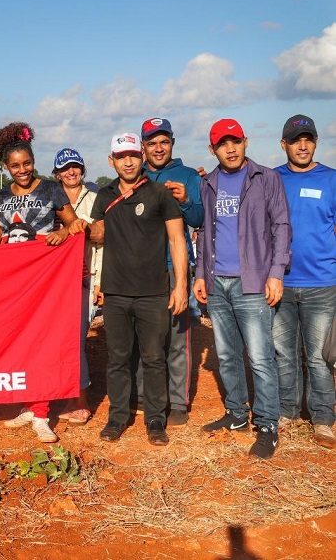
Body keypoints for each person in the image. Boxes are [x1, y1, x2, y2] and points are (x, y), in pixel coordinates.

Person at [0, 122, 86, 443]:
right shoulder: (0, 196)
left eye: (27, 163)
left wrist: (62, 231)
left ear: (33, 161)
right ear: (5, 167)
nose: (23, 170)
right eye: (15, 166)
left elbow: (75, 224)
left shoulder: (51, 190)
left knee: (43, 343)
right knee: (21, 343)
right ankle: (29, 405)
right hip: (15, 282)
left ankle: (41, 415)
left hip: (46, 280)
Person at [195, 119, 291, 459]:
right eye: (222, 144)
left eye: (235, 141)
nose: (230, 148)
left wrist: (276, 273)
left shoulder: (266, 178)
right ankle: (237, 412)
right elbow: (205, 230)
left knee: (261, 357)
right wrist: (200, 274)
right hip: (217, 282)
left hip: (253, 282)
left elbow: (281, 226)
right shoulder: (208, 183)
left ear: (246, 142)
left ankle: (267, 425)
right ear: (213, 150)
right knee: (226, 354)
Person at [91, 133, 188, 446]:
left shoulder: (159, 193)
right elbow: (98, 238)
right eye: (121, 156)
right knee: (117, 358)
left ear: (143, 156)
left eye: (133, 154)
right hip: (116, 293)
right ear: (112, 161)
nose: (128, 161)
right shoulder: (104, 195)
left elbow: (176, 240)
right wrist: (77, 226)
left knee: (153, 358)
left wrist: (181, 286)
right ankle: (117, 417)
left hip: (154, 292)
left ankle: (156, 421)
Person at [272, 115, 336, 449]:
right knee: (284, 353)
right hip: (281, 282)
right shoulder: (271, 180)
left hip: (322, 283)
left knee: (319, 356)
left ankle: (323, 419)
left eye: (308, 139)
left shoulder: (332, 179)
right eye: (296, 139)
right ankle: (287, 411)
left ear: (315, 142)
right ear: (284, 144)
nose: (302, 145)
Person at [139, 118, 204, 426]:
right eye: (152, 143)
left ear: (172, 143)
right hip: (141, 269)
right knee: (145, 338)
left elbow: (200, 218)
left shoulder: (188, 175)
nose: (158, 148)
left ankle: (177, 401)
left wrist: (186, 200)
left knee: (178, 339)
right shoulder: (135, 176)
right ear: (143, 147)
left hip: (173, 266)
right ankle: (145, 396)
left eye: (163, 141)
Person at [52, 148, 103, 426]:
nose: (71, 172)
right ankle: (54, 393)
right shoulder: (49, 197)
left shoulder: (95, 198)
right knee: (56, 339)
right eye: (65, 168)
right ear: (57, 173)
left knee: (77, 338)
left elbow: (103, 237)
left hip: (86, 275)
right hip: (53, 281)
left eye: (75, 167)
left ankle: (80, 400)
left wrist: (101, 280)